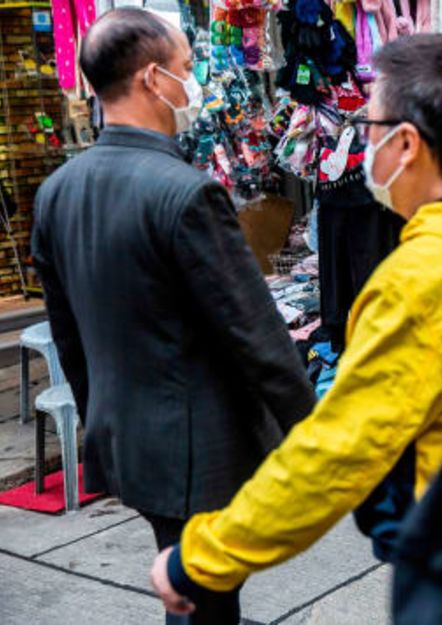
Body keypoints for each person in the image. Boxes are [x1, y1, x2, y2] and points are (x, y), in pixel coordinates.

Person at [150, 34, 442, 614]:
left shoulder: (423, 279)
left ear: (406, 143)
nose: (361, 144)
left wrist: (201, 558)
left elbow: (336, 454)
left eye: (368, 128)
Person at [31, 9, 316, 623]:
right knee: (203, 602)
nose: (195, 83)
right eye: (188, 69)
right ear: (152, 79)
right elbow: (258, 336)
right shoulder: (186, 192)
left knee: (190, 591)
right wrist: (315, 441)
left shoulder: (58, 190)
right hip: (197, 450)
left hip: (129, 437)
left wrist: (98, 421)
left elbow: (69, 339)